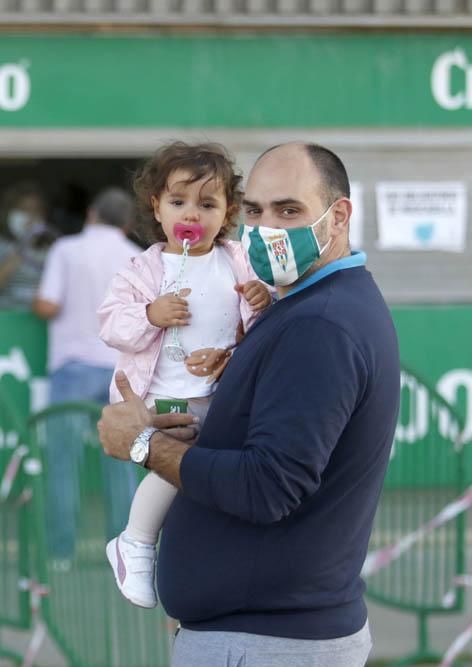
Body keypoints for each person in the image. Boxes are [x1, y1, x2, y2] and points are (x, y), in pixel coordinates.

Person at [97, 142, 400, 666]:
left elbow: (267, 486)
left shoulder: (320, 324)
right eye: (257, 212)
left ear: (339, 216)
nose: (267, 228)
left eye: (289, 210)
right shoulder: (305, 306)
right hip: (265, 636)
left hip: (268, 645)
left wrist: (141, 444)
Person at [97, 143, 271, 608]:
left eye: (208, 204)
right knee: (182, 465)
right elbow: (112, 324)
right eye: (178, 202)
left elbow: (258, 332)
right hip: (160, 401)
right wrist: (150, 314)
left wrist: (259, 305)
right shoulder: (142, 270)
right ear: (156, 207)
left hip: (218, 396)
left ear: (228, 213)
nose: (191, 214)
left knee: (212, 481)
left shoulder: (240, 262)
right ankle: (134, 541)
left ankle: (193, 565)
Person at [32, 187, 145, 569]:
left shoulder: (66, 249)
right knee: (122, 463)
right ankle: (122, 554)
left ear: (91, 213)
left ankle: (62, 552)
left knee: (64, 461)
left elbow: (47, 304)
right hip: (121, 371)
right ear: (128, 222)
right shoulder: (136, 255)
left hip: (73, 365)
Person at [0, 182, 57, 302]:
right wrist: (25, 245)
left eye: (36, 211)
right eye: (24, 209)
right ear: (9, 212)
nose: (30, 216)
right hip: (2, 313)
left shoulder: (52, 246)